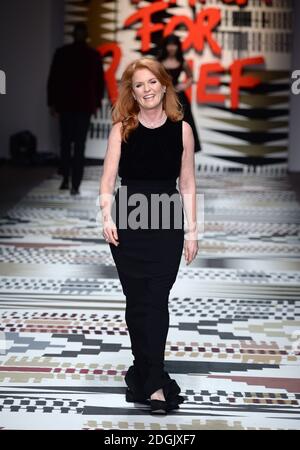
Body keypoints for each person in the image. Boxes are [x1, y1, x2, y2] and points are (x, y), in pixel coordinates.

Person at [99, 57, 198, 415]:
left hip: (167, 220)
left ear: (164, 85)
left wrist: (192, 230)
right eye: (139, 85)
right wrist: (107, 215)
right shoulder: (121, 129)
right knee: (137, 302)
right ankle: (146, 373)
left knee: (156, 300)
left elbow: (186, 182)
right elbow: (108, 179)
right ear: (133, 92)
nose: (147, 90)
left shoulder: (182, 129)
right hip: (129, 219)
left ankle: (152, 382)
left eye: (152, 82)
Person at [47, 23, 105, 195]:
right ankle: (74, 183)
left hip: (69, 105)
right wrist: (96, 103)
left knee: (67, 143)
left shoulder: (63, 53)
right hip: (81, 105)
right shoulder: (92, 55)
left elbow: (53, 79)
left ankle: (67, 180)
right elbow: (99, 83)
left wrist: (52, 103)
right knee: (78, 145)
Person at [157, 34, 201, 153]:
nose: (171, 48)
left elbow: (191, 77)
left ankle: (183, 149)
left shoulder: (182, 62)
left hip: (178, 97)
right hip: (162, 96)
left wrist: (184, 85)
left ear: (178, 46)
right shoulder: (159, 61)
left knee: (183, 124)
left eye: (174, 45)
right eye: (169, 45)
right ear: (165, 46)